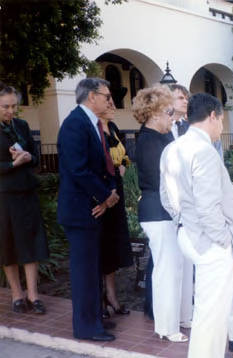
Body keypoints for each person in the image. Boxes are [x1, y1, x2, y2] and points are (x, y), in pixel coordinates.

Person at [160, 93, 233, 358]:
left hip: (188, 235)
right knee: (211, 318)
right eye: (222, 120)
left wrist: (182, 221)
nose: (222, 128)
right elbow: (208, 208)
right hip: (209, 242)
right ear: (213, 116)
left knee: (208, 314)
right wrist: (225, 239)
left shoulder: (172, 148)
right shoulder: (203, 150)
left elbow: (165, 197)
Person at [57, 78, 119, 342]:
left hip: (94, 208)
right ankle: (86, 327)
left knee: (93, 269)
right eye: (106, 96)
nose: (109, 100)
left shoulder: (93, 123)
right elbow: (78, 169)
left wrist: (111, 192)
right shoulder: (74, 124)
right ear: (92, 96)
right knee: (84, 272)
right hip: (81, 210)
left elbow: (104, 165)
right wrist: (106, 196)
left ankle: (95, 319)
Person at [133, 84, 192, 342]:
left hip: (172, 210)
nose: (172, 116)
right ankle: (166, 327)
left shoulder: (165, 136)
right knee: (166, 270)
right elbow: (163, 180)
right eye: (169, 111)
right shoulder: (147, 140)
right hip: (157, 211)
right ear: (155, 112)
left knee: (179, 267)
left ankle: (181, 317)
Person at [0, 82, 49, 315]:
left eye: (13, 106)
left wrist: (28, 156)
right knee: (8, 245)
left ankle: (33, 295)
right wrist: (12, 164)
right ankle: (17, 295)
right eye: (5, 107)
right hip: (4, 196)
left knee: (31, 243)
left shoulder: (22, 125)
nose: (10, 111)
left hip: (27, 192)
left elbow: (37, 157)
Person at [99, 98, 133, 318]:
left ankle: (111, 295)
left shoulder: (113, 128)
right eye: (108, 101)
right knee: (100, 247)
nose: (113, 105)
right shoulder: (93, 131)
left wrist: (122, 166)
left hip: (116, 192)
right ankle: (100, 299)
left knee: (112, 247)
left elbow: (126, 155)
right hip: (101, 194)